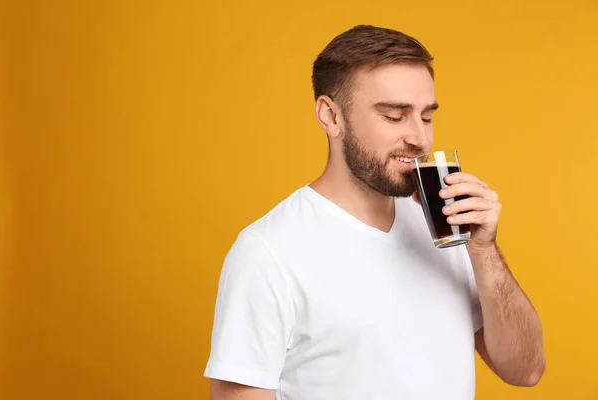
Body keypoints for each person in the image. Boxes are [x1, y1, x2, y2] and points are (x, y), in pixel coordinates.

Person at [204, 24, 545, 400]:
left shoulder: (444, 228)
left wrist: (483, 251)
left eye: (426, 116)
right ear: (331, 116)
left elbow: (525, 370)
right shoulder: (268, 251)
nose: (419, 138)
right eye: (395, 116)